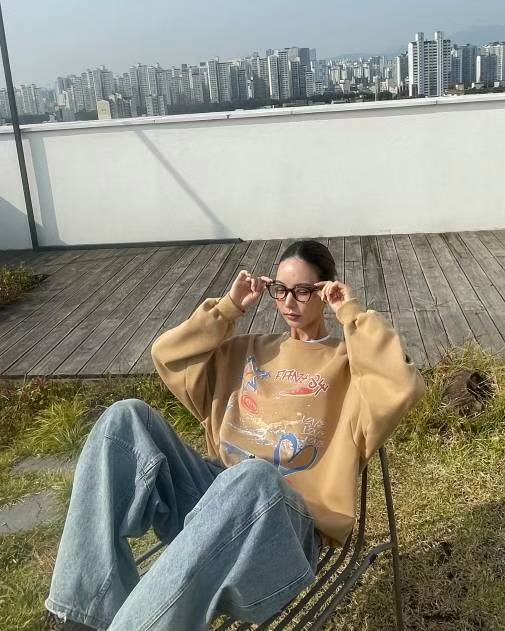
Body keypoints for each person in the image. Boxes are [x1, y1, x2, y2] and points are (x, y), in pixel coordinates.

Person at [46, 240, 425, 631]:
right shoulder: (248, 350)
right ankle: (80, 618)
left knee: (254, 475)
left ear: (325, 290)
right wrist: (229, 307)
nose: (288, 302)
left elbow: (401, 383)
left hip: (283, 528)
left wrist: (351, 312)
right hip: (212, 502)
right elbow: (167, 355)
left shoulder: (348, 366)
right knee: (123, 419)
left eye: (302, 290)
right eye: (280, 289)